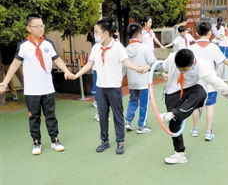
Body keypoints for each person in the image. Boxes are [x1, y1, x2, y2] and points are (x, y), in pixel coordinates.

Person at [67, 18, 150, 155]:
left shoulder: (117, 47)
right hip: (101, 87)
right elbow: (89, 64)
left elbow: (125, 62)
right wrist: (76, 75)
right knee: (102, 115)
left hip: (114, 87)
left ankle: (120, 141)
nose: (95, 35)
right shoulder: (95, 48)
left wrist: (137, 68)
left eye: (96, 32)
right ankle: (104, 141)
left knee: (118, 115)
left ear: (105, 33)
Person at [0, 14, 73, 155]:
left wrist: (66, 71)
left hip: (47, 88)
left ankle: (55, 140)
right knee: (34, 117)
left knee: (50, 115)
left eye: (42, 26)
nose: (41, 29)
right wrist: (4, 82)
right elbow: (15, 65)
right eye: (37, 26)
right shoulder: (23, 46)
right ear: (28, 28)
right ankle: (36, 143)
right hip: (31, 90)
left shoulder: (48, 44)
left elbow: (57, 60)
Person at [159, 49, 228, 164]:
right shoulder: (172, 57)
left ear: (192, 63)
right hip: (173, 90)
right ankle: (180, 154)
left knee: (202, 92)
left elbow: (218, 84)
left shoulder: (202, 66)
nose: (181, 72)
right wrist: (154, 70)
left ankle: (175, 113)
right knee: (174, 124)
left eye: (184, 70)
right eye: (179, 69)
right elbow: (163, 67)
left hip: (192, 91)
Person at [189, 21, 228, 141]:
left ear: (197, 33)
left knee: (195, 107)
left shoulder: (191, 48)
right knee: (210, 106)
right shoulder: (213, 47)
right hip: (211, 83)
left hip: (195, 83)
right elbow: (224, 60)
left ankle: (195, 129)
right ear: (209, 33)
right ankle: (208, 132)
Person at [124, 23, 157, 134]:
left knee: (133, 101)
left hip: (132, 81)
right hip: (143, 81)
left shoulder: (126, 49)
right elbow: (153, 62)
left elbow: (123, 66)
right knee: (144, 104)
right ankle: (141, 126)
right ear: (138, 34)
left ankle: (128, 121)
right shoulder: (144, 48)